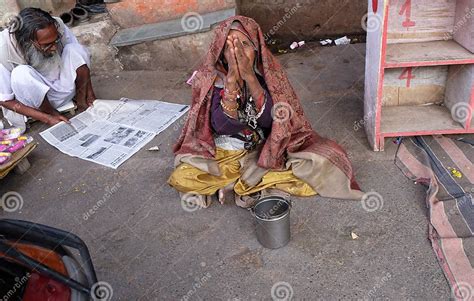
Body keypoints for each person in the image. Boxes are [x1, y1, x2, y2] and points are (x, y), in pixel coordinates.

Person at [168, 16, 363, 208]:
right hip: (223, 154)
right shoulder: (211, 80)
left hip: (263, 151)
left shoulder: (269, 77)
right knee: (183, 175)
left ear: (256, 48)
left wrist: (251, 79)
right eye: (229, 47)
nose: (237, 52)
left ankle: (232, 183)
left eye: (244, 44)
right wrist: (230, 85)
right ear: (220, 53)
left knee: (320, 164)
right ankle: (243, 183)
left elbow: (275, 123)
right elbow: (222, 126)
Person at [0, 7, 95, 131]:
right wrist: (47, 118)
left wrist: (90, 94)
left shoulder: (56, 26)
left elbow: (80, 61)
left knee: (75, 49)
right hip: (34, 103)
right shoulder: (3, 48)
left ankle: (81, 100)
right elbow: (5, 100)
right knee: (21, 73)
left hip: (65, 90)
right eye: (47, 45)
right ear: (28, 41)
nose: (54, 47)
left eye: (56, 41)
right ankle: (52, 113)